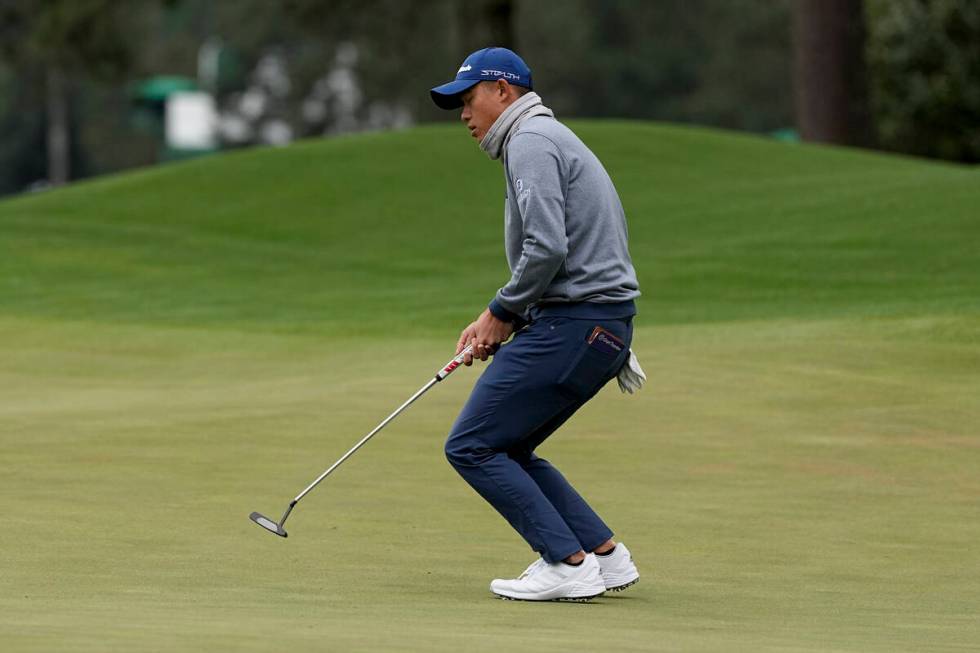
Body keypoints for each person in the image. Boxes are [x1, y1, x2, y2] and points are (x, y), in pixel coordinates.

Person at [430, 47, 644, 602]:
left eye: (468, 98)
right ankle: (602, 554)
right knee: (510, 446)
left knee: (472, 445)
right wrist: (509, 317)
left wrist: (500, 312)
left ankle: (565, 563)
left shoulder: (530, 141)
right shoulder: (542, 139)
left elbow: (546, 246)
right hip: (600, 328)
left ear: (504, 91)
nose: (462, 114)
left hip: (577, 324)